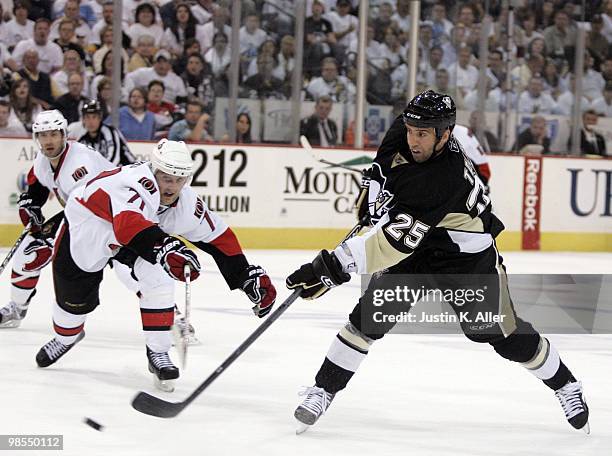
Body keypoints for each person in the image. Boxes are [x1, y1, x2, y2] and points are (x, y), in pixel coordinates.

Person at [286, 90, 589, 434]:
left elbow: (390, 246)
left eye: (423, 134)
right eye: (412, 130)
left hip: (465, 258)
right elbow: (383, 172)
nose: (413, 139)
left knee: (500, 333)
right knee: (367, 319)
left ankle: (566, 385)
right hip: (421, 246)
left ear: (445, 135)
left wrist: (330, 268)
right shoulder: (404, 130)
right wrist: (374, 198)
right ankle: (323, 390)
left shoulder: (442, 177)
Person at [35, 139, 276, 392]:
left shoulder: (186, 204)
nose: (171, 187)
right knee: (71, 307)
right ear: (153, 171)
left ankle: (158, 352)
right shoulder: (134, 183)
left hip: (137, 239)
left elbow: (219, 238)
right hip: (88, 230)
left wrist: (245, 277)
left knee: (159, 278)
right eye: (165, 178)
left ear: (187, 180)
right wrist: (166, 249)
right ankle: (67, 336)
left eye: (178, 179)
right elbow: (128, 224)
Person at [0, 110, 113, 329]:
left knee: (133, 271)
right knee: (29, 252)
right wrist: (30, 205)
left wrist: (52, 242)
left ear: (64, 135)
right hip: (81, 216)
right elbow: (38, 186)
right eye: (43, 135)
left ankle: (172, 318)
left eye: (53, 134)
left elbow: (88, 211)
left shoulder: (80, 165)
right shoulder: (44, 159)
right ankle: (17, 307)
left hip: (110, 218)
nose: (48, 141)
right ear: (36, 138)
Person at [75, 99, 136, 166]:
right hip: (106, 173)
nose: (91, 121)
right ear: (83, 119)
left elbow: (114, 158)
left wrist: (99, 173)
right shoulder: (83, 139)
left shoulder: (110, 132)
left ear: (100, 118)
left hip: (129, 170)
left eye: (94, 117)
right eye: (87, 117)